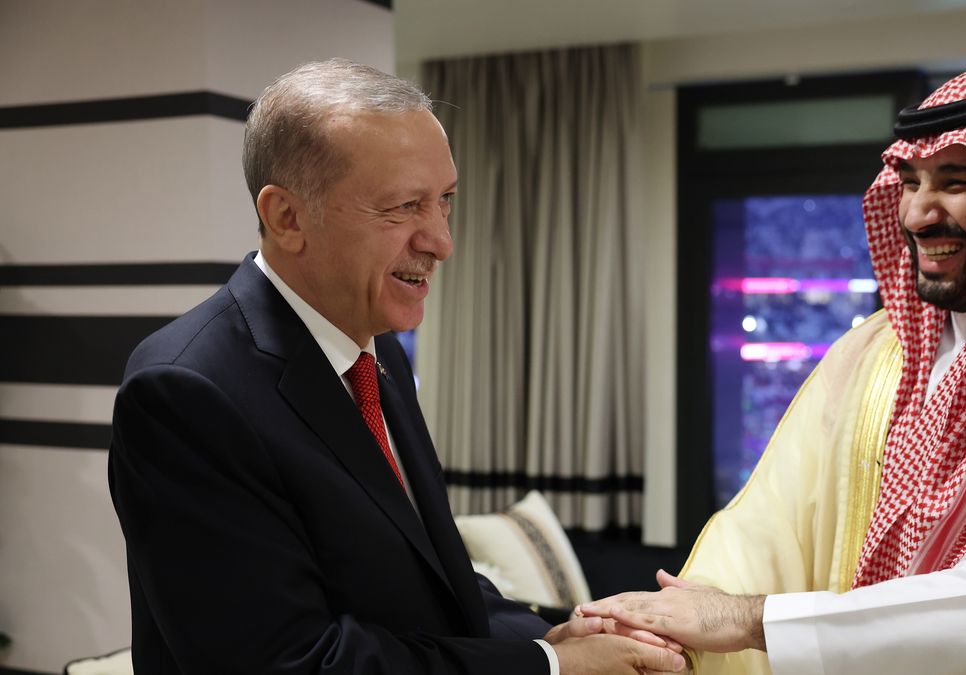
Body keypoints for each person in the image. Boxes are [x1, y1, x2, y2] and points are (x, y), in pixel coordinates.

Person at [579, 63, 966, 673]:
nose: (917, 215)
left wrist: (747, 619)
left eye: (955, 182)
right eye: (909, 182)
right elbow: (766, 525)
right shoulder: (876, 355)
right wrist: (666, 635)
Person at [108, 58, 684, 675]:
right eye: (405, 206)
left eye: (445, 202)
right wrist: (551, 665)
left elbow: (430, 585)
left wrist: (563, 633)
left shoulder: (377, 350)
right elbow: (287, 661)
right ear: (287, 218)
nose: (441, 241)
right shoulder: (185, 391)